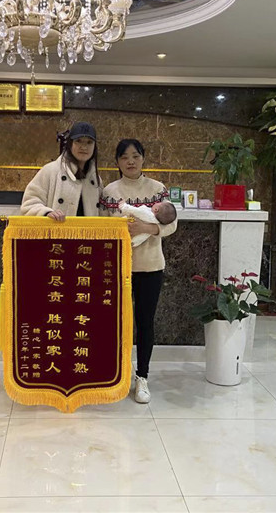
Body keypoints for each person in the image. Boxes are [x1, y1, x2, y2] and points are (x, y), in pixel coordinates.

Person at [100, 138, 177, 404]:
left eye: (135, 156)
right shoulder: (110, 191)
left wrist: (146, 228)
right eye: (124, 157)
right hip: (117, 268)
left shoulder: (157, 189)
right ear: (117, 162)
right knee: (115, 324)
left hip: (150, 267)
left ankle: (141, 377)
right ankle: (116, 375)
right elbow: (102, 225)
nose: (130, 161)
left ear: (143, 158)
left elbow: (171, 225)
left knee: (145, 323)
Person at [21, 121, 102, 220]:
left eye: (89, 142)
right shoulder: (50, 171)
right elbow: (29, 204)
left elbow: (103, 213)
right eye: (78, 141)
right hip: (55, 229)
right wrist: (47, 213)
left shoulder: (96, 179)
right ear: (70, 144)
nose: (84, 147)